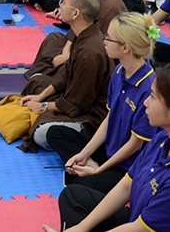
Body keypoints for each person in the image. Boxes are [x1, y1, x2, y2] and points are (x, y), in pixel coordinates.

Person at [42, 63, 170, 232]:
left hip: (143, 227)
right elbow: (127, 184)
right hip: (140, 221)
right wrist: (81, 228)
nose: (145, 102)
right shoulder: (162, 137)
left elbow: (139, 229)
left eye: (152, 97)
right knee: (74, 196)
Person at [46, 12, 157, 197]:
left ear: (125, 48)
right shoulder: (120, 70)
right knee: (55, 133)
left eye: (108, 38)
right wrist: (84, 154)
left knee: (75, 191)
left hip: (127, 167)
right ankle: (90, 166)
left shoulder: (148, 88)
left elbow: (134, 145)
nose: (104, 41)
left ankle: (94, 173)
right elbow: (109, 119)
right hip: (109, 150)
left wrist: (99, 171)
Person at [20, 0, 113, 150]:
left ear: (76, 13)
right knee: (38, 84)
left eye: (63, 2)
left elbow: (77, 103)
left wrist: (42, 107)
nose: (59, 5)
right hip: (74, 97)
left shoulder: (90, 53)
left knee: (41, 133)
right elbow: (64, 74)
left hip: (91, 118)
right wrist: (40, 97)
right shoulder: (83, 35)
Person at [26, 0, 127, 87]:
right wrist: (66, 51)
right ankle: (41, 75)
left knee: (42, 82)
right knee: (53, 39)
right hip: (82, 45)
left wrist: (68, 56)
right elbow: (78, 29)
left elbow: (96, 46)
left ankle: (44, 78)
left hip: (98, 59)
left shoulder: (109, 6)